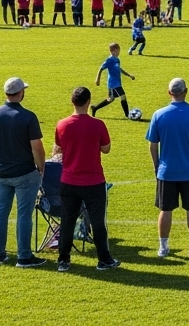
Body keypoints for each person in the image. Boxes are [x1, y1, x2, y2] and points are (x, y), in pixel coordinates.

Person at [53, 86, 118, 272]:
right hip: (93, 181)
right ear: (89, 102)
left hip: (69, 181)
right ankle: (104, 259)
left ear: (72, 102)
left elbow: (58, 148)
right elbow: (106, 149)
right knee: (98, 222)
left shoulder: (62, 124)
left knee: (68, 221)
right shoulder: (97, 124)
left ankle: (63, 260)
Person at [146, 78, 189, 258]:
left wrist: (157, 166)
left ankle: (163, 247)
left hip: (167, 171)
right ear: (186, 91)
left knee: (165, 210)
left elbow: (153, 145)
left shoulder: (159, 115)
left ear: (169, 93)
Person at [0, 77, 46, 267]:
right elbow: (37, 147)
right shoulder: (28, 117)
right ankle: (24, 256)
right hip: (25, 173)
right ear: (21, 93)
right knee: (24, 215)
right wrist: (41, 168)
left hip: (2, 173)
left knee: (1, 213)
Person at [93, 43, 136, 118]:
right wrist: (97, 79)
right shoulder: (109, 60)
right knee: (123, 96)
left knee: (110, 99)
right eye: (116, 51)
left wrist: (129, 75)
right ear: (112, 51)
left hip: (117, 82)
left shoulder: (117, 60)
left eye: (119, 51)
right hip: (113, 84)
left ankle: (95, 108)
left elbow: (119, 69)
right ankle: (127, 115)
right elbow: (101, 68)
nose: (118, 52)